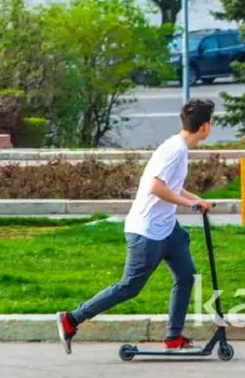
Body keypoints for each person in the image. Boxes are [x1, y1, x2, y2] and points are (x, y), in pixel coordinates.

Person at [56, 99, 216, 355]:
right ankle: (72, 319)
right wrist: (189, 205)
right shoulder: (174, 149)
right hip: (146, 232)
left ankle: (173, 337)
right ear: (205, 126)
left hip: (167, 230)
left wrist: (196, 200)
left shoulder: (178, 147)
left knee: (186, 275)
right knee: (129, 287)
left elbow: (170, 185)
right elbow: (156, 187)